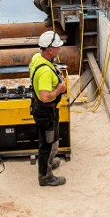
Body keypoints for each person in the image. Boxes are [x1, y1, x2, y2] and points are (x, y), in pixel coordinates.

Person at [29, 30, 68, 187]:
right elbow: (45, 96)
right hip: (46, 110)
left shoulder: (37, 58)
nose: (59, 50)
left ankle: (49, 162)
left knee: (50, 140)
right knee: (47, 143)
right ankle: (45, 176)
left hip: (42, 109)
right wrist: (60, 88)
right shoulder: (45, 71)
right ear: (50, 50)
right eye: (57, 47)